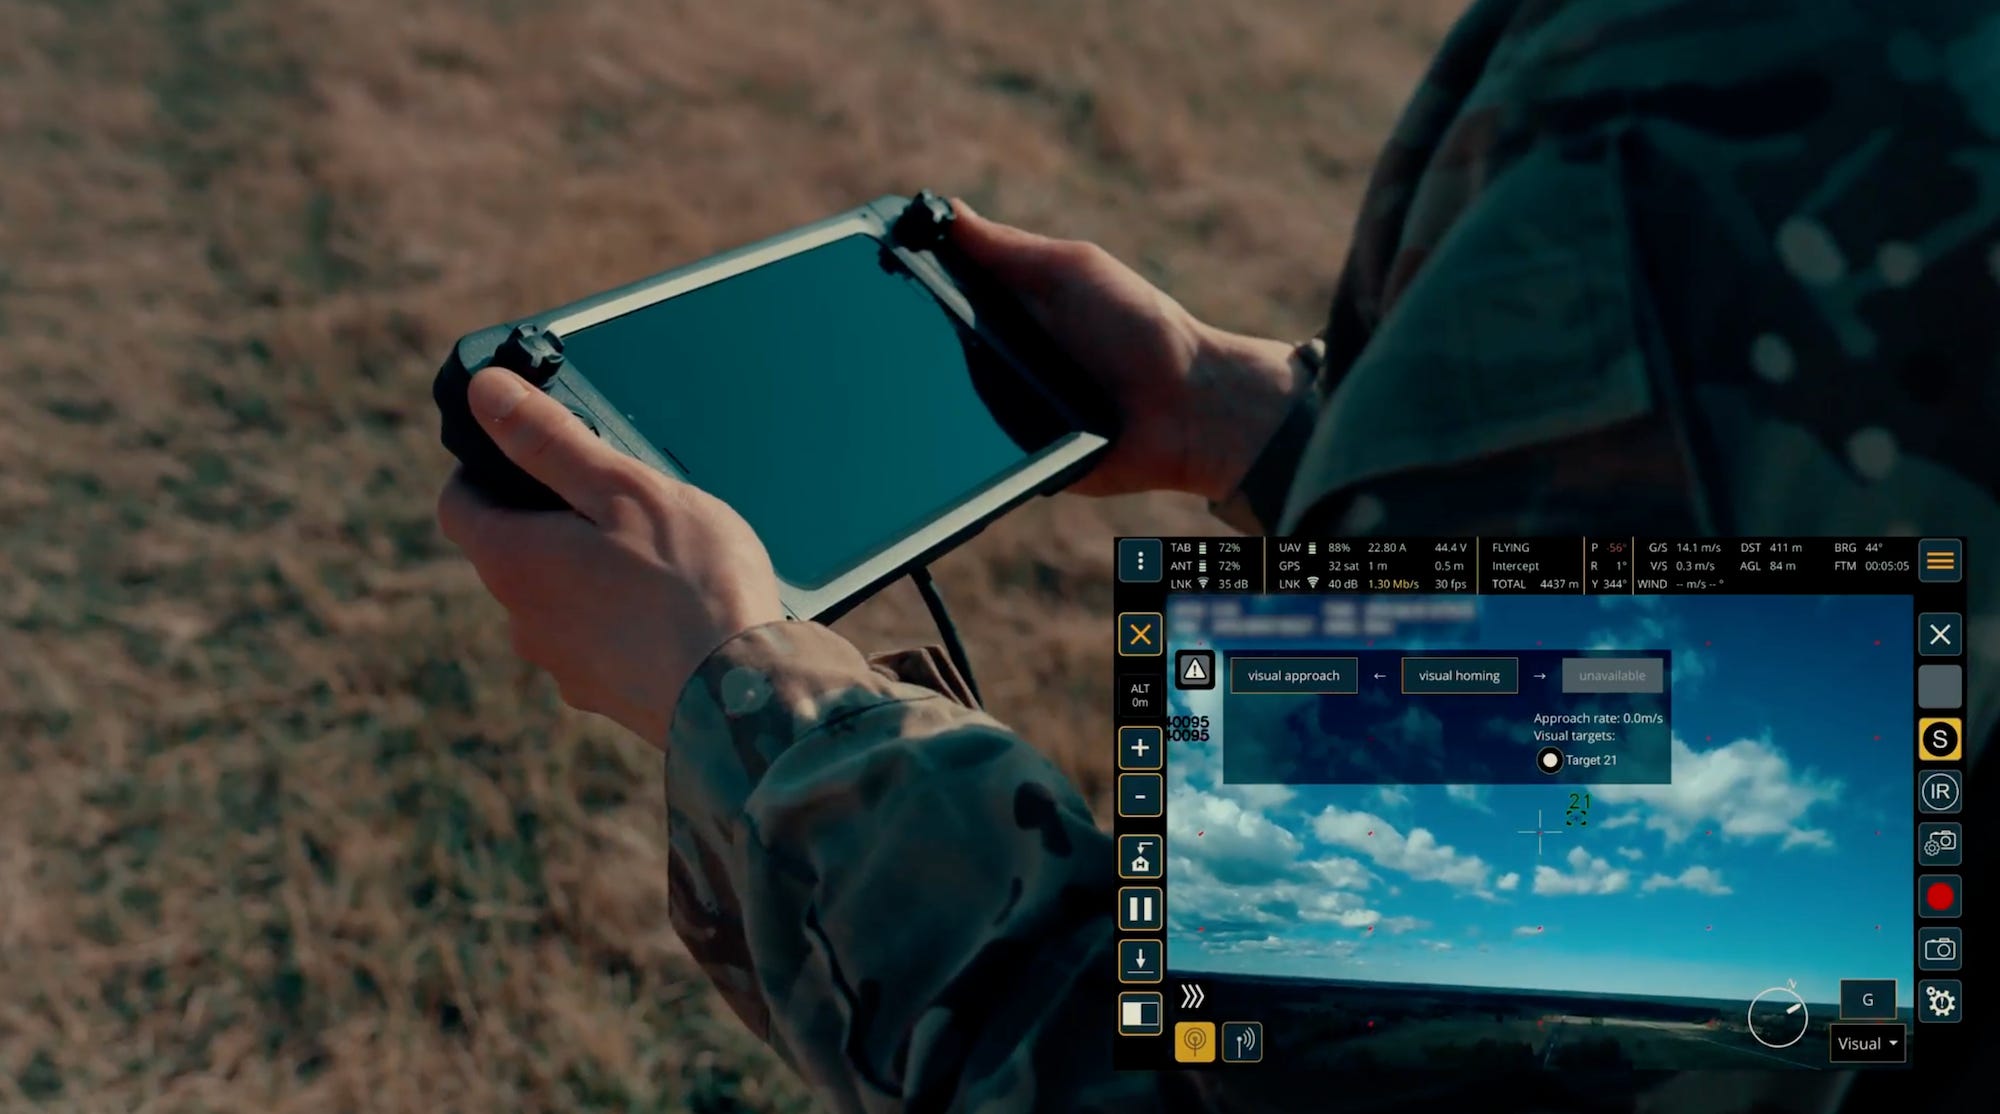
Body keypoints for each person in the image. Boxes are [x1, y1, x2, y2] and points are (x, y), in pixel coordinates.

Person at [438, 0, 1997, 1109]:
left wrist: (751, 705)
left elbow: (1299, 1067)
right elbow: (1754, 717)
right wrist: (1264, 428)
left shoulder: (1752, 90)